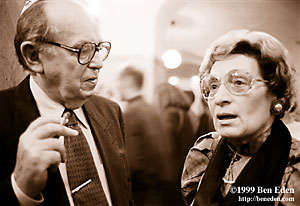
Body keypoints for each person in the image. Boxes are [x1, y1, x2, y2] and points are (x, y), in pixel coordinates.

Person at [0, 0, 133, 205]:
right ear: (33, 57)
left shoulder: (110, 112)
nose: (98, 63)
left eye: (98, 48)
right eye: (82, 50)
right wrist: (20, 189)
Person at [181, 29, 300, 206]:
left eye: (238, 82)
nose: (220, 98)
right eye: (213, 86)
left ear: (275, 94)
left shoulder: (294, 168)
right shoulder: (204, 154)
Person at [117, 65, 173, 205]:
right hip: (160, 188)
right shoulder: (151, 108)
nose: (117, 87)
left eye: (119, 82)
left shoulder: (132, 113)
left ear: (127, 83)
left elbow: (131, 162)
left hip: (143, 192)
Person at [154, 83, 196, 206]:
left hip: (170, 173)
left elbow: (164, 145)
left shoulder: (169, 114)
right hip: (183, 168)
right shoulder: (185, 113)